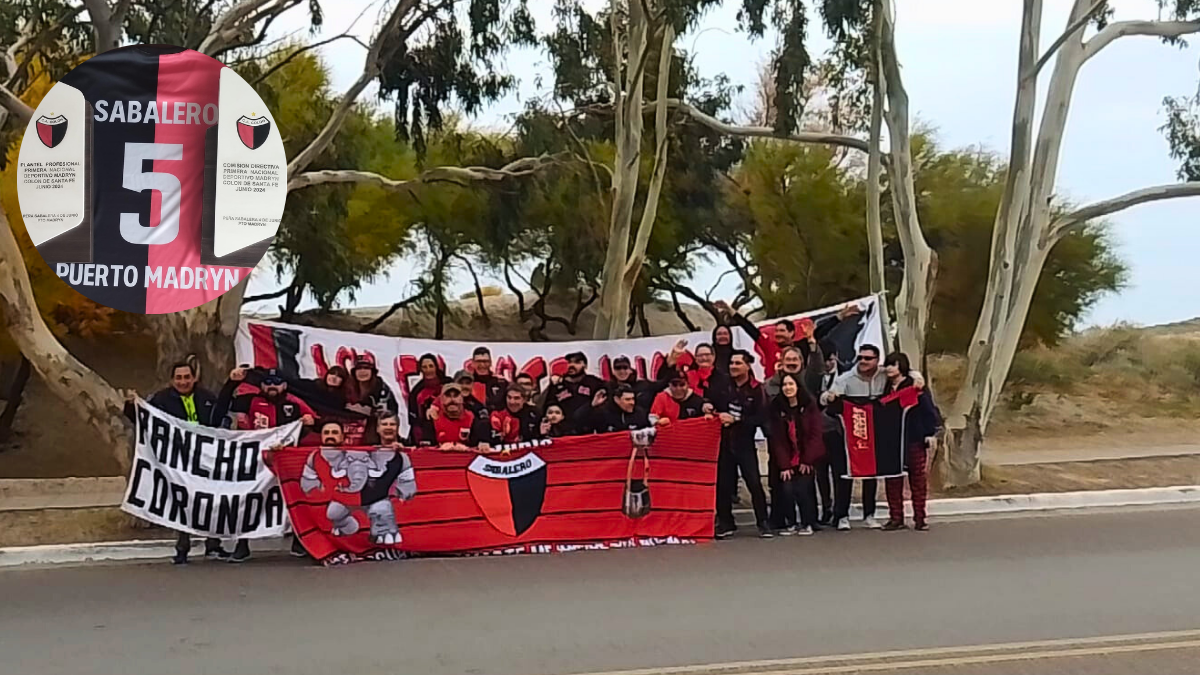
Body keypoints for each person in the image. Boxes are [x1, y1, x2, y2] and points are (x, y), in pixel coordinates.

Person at [122, 360, 225, 565]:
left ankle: (213, 544)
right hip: (177, 461)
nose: (183, 381)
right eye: (178, 378)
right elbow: (143, 418)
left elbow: (219, 421)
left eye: (187, 377)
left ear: (194, 378)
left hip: (205, 460)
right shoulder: (161, 400)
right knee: (182, 503)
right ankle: (182, 547)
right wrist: (130, 405)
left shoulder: (207, 397)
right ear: (172, 380)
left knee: (210, 501)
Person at [820, 344, 925, 530]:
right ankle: (842, 515)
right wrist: (829, 396)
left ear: (877, 361)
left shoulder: (885, 374)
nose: (863, 361)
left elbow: (907, 372)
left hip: (878, 434)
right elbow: (825, 398)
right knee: (846, 474)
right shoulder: (846, 379)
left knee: (872, 474)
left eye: (868, 358)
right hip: (849, 433)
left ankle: (870, 514)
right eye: (860, 357)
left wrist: (919, 378)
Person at [764, 345, 830, 525]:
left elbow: (817, 367)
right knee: (780, 484)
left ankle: (811, 521)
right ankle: (783, 520)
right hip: (782, 445)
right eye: (788, 360)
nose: (791, 363)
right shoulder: (771, 385)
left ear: (801, 362)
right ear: (782, 362)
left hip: (806, 446)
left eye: (795, 359)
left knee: (806, 485)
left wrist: (813, 345)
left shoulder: (809, 381)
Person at [714, 350, 772, 539]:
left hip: (745, 443)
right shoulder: (723, 386)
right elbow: (712, 404)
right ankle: (725, 523)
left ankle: (763, 522)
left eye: (738, 363)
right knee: (723, 485)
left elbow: (761, 417)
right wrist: (710, 408)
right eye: (731, 363)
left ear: (748, 366)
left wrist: (738, 420)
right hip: (723, 443)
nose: (733, 366)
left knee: (754, 483)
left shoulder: (757, 389)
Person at [882, 352, 942, 531]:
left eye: (894, 364)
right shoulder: (885, 387)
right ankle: (896, 517)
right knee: (893, 479)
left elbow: (928, 410)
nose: (889, 368)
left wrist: (930, 433)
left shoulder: (915, 386)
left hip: (914, 439)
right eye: (888, 365)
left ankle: (920, 518)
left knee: (917, 479)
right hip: (892, 440)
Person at [416, 382, 493, 451]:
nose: (452, 400)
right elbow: (425, 449)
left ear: (462, 399)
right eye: (448, 396)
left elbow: (481, 446)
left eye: (456, 396)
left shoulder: (474, 419)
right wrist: (439, 448)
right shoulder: (432, 420)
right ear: (441, 400)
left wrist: (466, 448)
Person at [542, 351, 605, 421]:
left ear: (585, 365)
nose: (572, 365)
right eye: (569, 362)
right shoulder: (557, 384)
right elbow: (545, 407)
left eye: (577, 362)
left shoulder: (594, 382)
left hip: (590, 426)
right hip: (564, 429)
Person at [575, 384, 651, 434]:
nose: (632, 402)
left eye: (633, 399)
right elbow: (578, 420)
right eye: (627, 399)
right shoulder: (603, 413)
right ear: (616, 399)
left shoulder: (639, 413)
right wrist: (591, 405)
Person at [407, 354, 448, 445]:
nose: (428, 370)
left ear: (436, 367)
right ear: (420, 369)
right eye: (424, 367)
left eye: (431, 366)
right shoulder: (416, 391)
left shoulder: (448, 383)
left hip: (447, 428)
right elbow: (413, 418)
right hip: (426, 432)